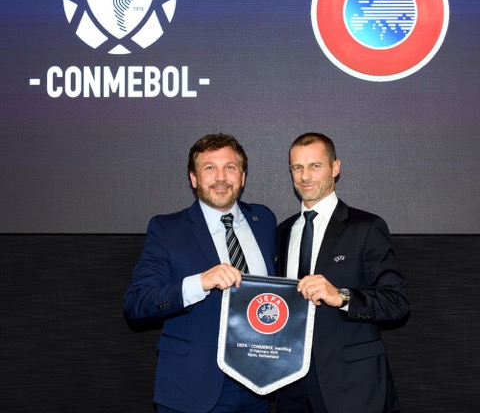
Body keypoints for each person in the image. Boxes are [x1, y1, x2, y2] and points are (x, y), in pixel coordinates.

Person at [124, 133, 277, 413]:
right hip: (194, 388)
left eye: (230, 167)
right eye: (210, 168)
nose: (221, 177)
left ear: (243, 177)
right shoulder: (167, 229)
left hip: (257, 387)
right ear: (194, 179)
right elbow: (137, 303)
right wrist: (200, 283)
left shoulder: (264, 220)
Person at [276, 132, 409, 413]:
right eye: (297, 167)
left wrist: (342, 296)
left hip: (352, 384)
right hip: (291, 386)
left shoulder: (366, 227)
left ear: (335, 167)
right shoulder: (283, 231)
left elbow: (396, 302)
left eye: (315, 166)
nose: (305, 176)